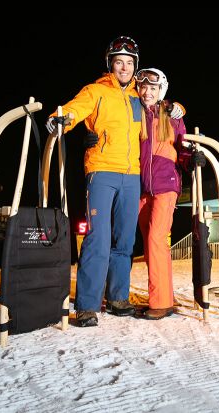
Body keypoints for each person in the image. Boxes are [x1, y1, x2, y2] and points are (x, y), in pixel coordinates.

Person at [46, 36, 184, 327]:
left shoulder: (137, 94)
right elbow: (73, 109)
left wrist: (177, 107)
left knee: (125, 240)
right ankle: (87, 305)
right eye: (119, 62)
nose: (124, 67)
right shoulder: (96, 90)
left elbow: (159, 100)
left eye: (129, 63)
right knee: (98, 236)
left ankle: (119, 297)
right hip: (102, 171)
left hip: (132, 175)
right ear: (110, 64)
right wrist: (61, 120)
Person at [135, 68, 204, 320]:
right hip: (141, 187)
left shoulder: (171, 115)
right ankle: (160, 297)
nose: (147, 92)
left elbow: (183, 147)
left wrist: (191, 158)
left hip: (166, 185)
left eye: (152, 88)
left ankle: (163, 301)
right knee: (148, 243)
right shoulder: (135, 113)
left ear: (160, 90)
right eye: (143, 87)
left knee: (156, 239)